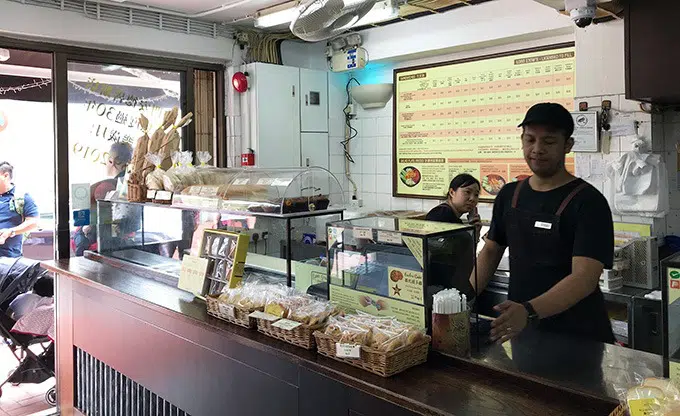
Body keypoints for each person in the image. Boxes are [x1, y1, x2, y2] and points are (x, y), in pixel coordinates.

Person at [472, 103, 615, 344]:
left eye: (548, 142)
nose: (537, 149)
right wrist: (461, 296)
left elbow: (585, 277)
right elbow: (490, 251)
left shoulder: (587, 201)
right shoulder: (509, 194)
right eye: (530, 140)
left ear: (567, 146)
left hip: (579, 336)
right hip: (522, 331)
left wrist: (528, 311)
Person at [72, 142, 133, 256]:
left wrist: (86, 226)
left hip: (98, 241)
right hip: (121, 241)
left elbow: (86, 222)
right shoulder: (130, 184)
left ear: (112, 161)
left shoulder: (104, 185)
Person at [0, 162, 39, 258]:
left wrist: (11, 231)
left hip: (9, 259)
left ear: (5, 176)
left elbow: (33, 222)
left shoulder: (21, 197)